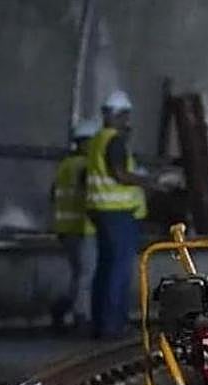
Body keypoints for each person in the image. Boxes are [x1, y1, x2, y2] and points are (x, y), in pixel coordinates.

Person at [85, 90, 156, 339]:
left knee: (105, 268)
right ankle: (114, 325)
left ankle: (101, 323)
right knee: (119, 270)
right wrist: (148, 181)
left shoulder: (96, 140)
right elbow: (119, 174)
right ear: (122, 115)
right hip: (118, 214)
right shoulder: (114, 141)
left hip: (100, 211)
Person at [50, 119, 99, 330]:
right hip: (84, 227)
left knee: (79, 274)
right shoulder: (87, 166)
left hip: (65, 228)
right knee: (87, 274)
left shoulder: (65, 165)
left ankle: (62, 308)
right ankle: (81, 316)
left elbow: (53, 194)